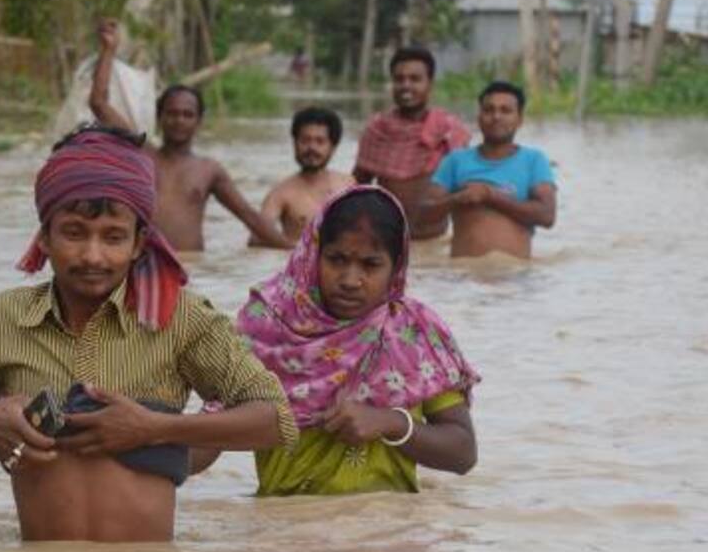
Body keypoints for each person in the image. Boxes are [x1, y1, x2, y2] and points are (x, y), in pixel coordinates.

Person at [0, 126, 297, 543]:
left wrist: (155, 428)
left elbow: (277, 420)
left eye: (113, 237)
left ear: (140, 242)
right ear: (44, 236)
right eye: (74, 234)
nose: (92, 255)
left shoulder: (181, 318)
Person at [194, 186, 479, 495]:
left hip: (390, 532)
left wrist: (390, 423)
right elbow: (207, 440)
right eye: (336, 259)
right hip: (282, 532)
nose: (350, 280)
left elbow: (462, 453)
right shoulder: (268, 330)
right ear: (312, 255)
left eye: (370, 265)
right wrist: (151, 433)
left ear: (396, 268)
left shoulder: (413, 333)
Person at [89, 18, 292, 252]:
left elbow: (250, 217)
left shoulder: (209, 170)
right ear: (160, 117)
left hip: (191, 271)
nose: (179, 121)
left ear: (199, 121)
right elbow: (99, 103)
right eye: (172, 113)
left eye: (187, 114)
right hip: (144, 264)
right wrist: (108, 50)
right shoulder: (140, 152)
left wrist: (295, 251)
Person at [424, 81, 557, 258]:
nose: (496, 116)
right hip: (462, 279)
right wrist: (457, 199)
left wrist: (490, 196)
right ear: (479, 117)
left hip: (516, 278)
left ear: (520, 120)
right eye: (489, 110)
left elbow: (547, 216)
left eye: (505, 111)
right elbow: (423, 214)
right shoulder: (455, 160)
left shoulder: (534, 160)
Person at [353, 46, 472, 240]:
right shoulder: (377, 130)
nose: (406, 85)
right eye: (399, 79)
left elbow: (467, 190)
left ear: (430, 84)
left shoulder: (449, 132)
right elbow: (357, 187)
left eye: (415, 79)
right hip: (388, 240)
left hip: (434, 241)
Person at [253, 107, 354, 245]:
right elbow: (256, 239)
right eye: (305, 140)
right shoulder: (280, 194)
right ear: (294, 143)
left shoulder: (348, 185)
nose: (311, 148)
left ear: (333, 147)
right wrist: (298, 249)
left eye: (320, 141)